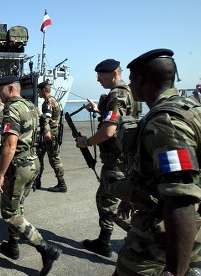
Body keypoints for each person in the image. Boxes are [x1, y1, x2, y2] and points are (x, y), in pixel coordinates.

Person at [110, 49, 201, 275]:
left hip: (159, 241)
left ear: (142, 80)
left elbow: (181, 199)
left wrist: (174, 272)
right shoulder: (192, 108)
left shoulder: (164, 124)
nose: (130, 86)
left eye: (132, 80)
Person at [0, 75, 61, 275]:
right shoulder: (32, 107)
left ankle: (45, 249)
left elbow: (10, 144)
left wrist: (0, 174)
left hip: (19, 165)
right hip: (34, 162)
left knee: (10, 213)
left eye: (0, 90)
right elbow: (46, 134)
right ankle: (13, 245)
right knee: (18, 205)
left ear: (10, 89)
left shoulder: (12, 109)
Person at [76, 59, 134, 257]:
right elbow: (120, 120)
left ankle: (148, 238)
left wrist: (87, 142)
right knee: (104, 199)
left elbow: (109, 131)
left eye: (101, 75)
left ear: (113, 74)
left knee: (109, 205)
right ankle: (104, 240)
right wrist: (99, 111)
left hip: (116, 161)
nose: (98, 79)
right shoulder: (129, 92)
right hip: (126, 158)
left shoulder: (116, 95)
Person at [35, 80, 67, 192]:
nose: (38, 93)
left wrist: (46, 135)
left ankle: (61, 184)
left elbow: (46, 119)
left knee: (54, 159)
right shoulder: (53, 100)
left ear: (43, 90)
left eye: (39, 90)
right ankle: (37, 180)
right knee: (40, 156)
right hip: (51, 135)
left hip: (49, 136)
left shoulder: (49, 102)